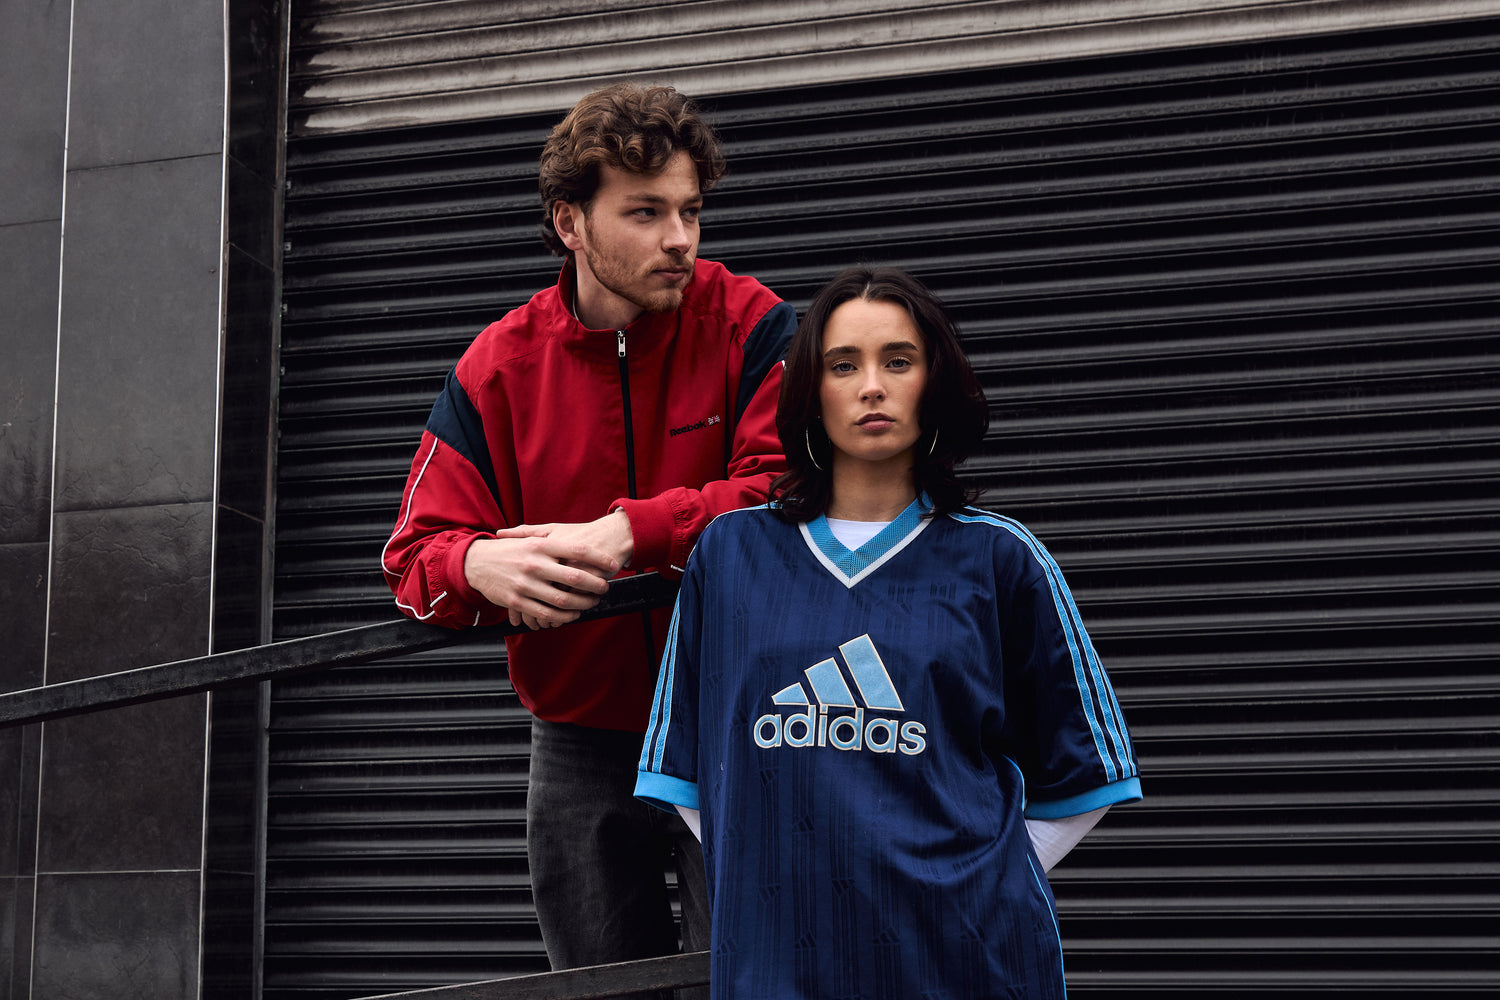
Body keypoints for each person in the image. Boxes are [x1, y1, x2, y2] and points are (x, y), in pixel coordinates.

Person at [381, 83, 797, 995]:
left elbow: (791, 495)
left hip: (745, 720)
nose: (680, 238)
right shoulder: (498, 368)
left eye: (690, 211)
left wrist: (629, 533)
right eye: (645, 213)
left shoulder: (751, 323)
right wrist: (476, 562)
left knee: (760, 980)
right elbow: (414, 556)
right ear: (570, 222)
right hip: (579, 745)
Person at [635, 267, 1142, 999]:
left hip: (965, 967)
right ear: (810, 390)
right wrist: (782, 881)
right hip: (778, 969)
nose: (871, 386)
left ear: (934, 381)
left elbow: (1086, 776)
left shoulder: (1000, 558)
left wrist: (970, 886)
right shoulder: (730, 555)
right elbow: (685, 772)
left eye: (898, 361)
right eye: (844, 365)